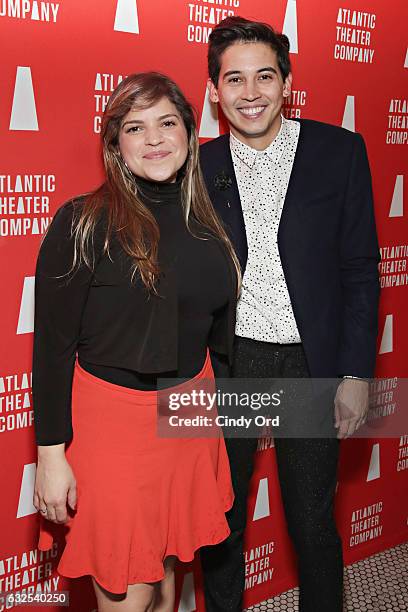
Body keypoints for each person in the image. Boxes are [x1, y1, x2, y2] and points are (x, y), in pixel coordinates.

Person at [32, 72, 241, 612]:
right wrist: (51, 457)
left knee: (169, 573)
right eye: (135, 127)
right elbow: (52, 348)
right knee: (130, 594)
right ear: (115, 145)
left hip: (189, 410)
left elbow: (216, 329)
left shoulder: (211, 219)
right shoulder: (83, 223)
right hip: (115, 429)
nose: (153, 139)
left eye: (166, 123)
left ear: (190, 133)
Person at [199, 16, 380, 612]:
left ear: (287, 82)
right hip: (231, 363)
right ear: (214, 91)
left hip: (309, 363)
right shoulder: (194, 166)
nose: (250, 93)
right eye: (234, 79)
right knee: (221, 526)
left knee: (311, 521)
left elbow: (359, 270)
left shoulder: (339, 151)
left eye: (264, 77)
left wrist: (356, 374)